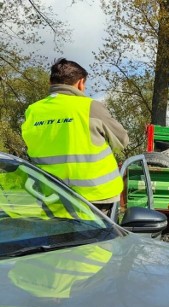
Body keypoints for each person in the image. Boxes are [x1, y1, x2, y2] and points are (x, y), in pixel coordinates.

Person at [22, 58, 129, 215]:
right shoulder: (90, 107)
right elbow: (122, 141)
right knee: (98, 240)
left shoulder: (32, 111)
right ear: (80, 83)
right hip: (95, 198)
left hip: (50, 195)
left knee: (58, 238)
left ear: (50, 82)